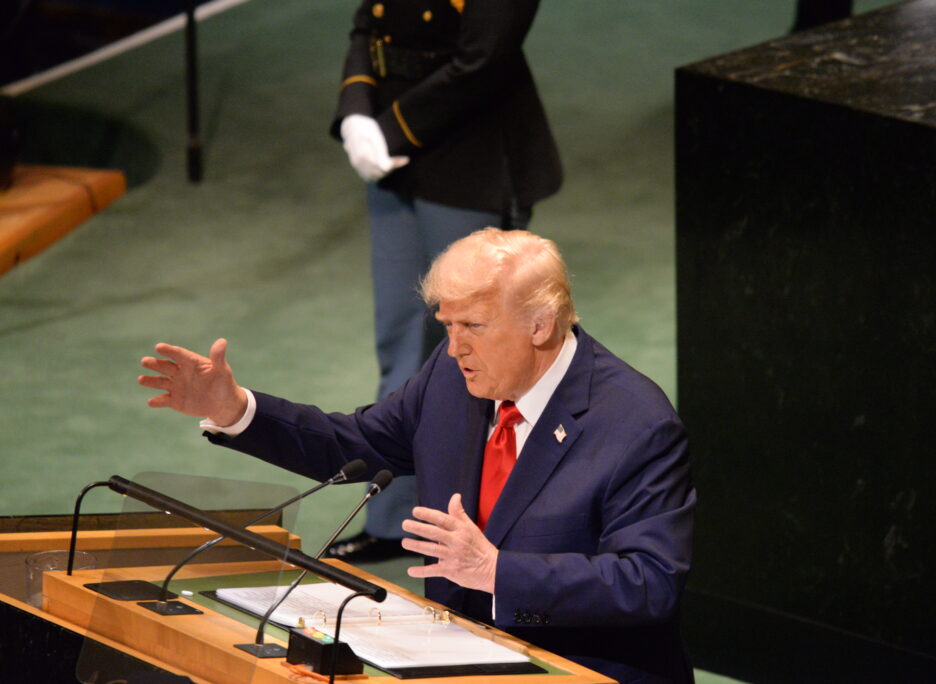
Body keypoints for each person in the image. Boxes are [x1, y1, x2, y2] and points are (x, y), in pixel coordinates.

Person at [138, 229, 695, 683]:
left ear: (541, 325)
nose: (455, 349)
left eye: (473, 327)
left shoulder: (634, 423)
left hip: (580, 670)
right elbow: (357, 443)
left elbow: (649, 583)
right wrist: (237, 408)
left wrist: (499, 572)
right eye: (448, 326)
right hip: (452, 658)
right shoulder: (452, 378)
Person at [329, 0, 562, 561]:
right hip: (394, 163)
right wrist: (357, 111)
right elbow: (369, 24)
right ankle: (397, 523)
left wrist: (388, 130)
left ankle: (506, 521)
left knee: (485, 352)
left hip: (469, 158)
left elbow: (482, 60)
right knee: (402, 343)